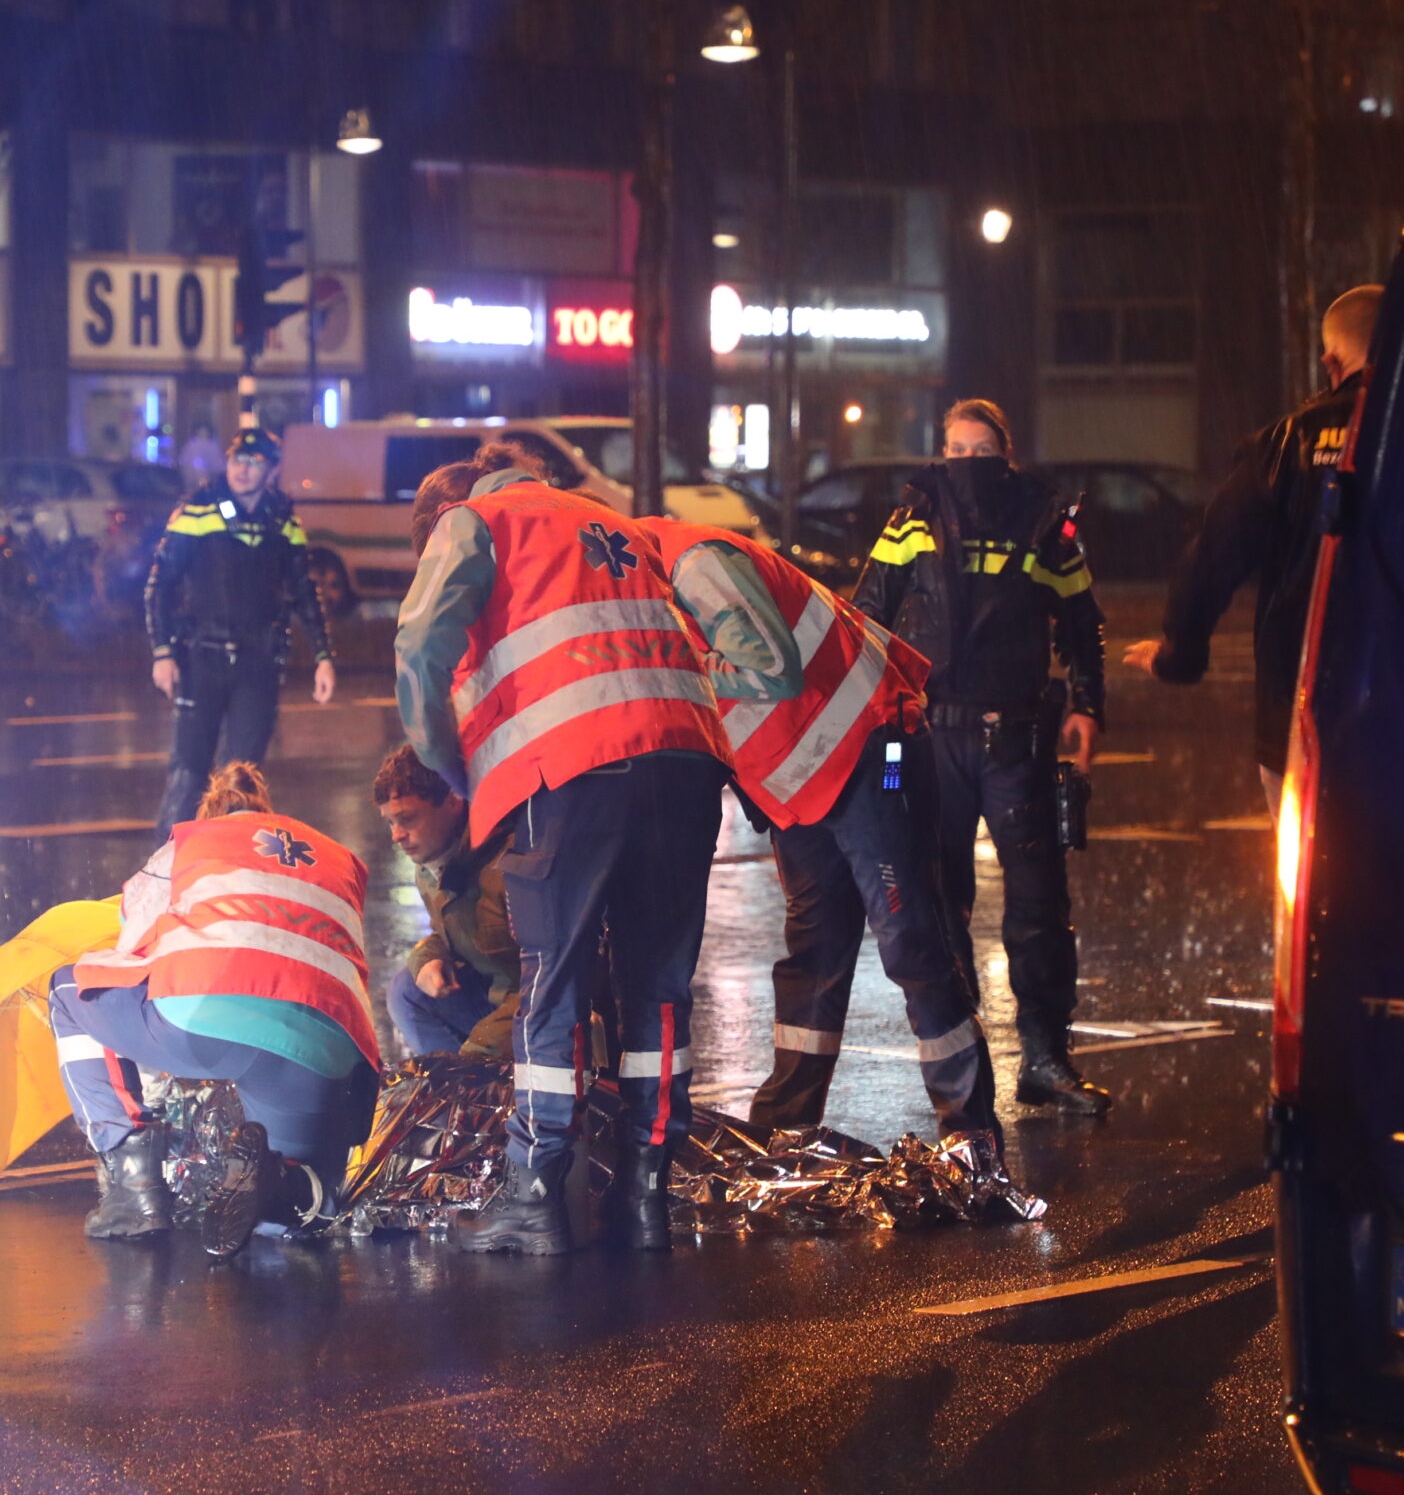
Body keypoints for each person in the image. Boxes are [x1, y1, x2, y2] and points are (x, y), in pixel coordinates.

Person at [394, 443, 731, 1255]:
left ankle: (536, 1190)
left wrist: (451, 766)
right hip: (687, 757)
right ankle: (647, 1190)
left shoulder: (475, 522)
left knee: (555, 977)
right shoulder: (609, 520)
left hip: (579, 767)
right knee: (657, 984)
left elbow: (417, 651)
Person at [639, 514, 1003, 1149]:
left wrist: (672, 669)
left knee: (910, 938)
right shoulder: (653, 581)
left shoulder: (693, 562)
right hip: (804, 783)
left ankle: (971, 1133)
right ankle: (785, 1125)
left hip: (880, 752)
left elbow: (770, 671)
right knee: (815, 952)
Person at [854, 399, 1113, 1116]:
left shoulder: (1042, 519)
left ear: (1008, 451)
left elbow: (1083, 621)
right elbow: (868, 612)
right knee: (938, 902)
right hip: (931, 734)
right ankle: (958, 1059)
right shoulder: (913, 516)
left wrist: (1089, 705)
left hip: (1015, 737)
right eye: (956, 448)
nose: (968, 461)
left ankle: (1045, 1057)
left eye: (981, 448)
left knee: (1037, 902)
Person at [49, 761, 378, 1257]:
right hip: (321, 1041)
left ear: (208, 813)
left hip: (206, 1018)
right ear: (267, 813)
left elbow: (131, 952)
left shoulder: (188, 846)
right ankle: (276, 1183)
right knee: (312, 1204)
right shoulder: (336, 856)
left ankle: (132, 1179)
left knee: (69, 989)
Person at [1122, 286, 1381, 813]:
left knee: (1311, 877)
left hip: (1301, 705)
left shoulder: (1290, 443)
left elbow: (1216, 553)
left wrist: (1180, 653)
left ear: (1330, 361)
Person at [144, 427, 336, 837]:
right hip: (202, 658)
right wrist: (162, 652)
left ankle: (231, 869)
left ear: (272, 469)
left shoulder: (282, 521)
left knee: (243, 776)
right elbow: (160, 585)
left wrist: (323, 656)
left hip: (258, 663)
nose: (243, 470)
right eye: (236, 461)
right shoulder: (197, 510)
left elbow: (304, 590)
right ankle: (166, 868)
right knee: (188, 772)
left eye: (254, 462)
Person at [374, 745, 518, 1061]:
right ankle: (470, 1092)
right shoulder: (430, 866)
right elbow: (455, 932)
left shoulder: (510, 867)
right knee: (407, 990)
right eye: (389, 822)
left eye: (407, 818)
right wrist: (428, 957)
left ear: (453, 800)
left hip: (540, 1015)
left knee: (462, 1077)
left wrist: (478, 1052)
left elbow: (552, 984)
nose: (397, 835)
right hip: (498, 1000)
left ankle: (475, 1087)